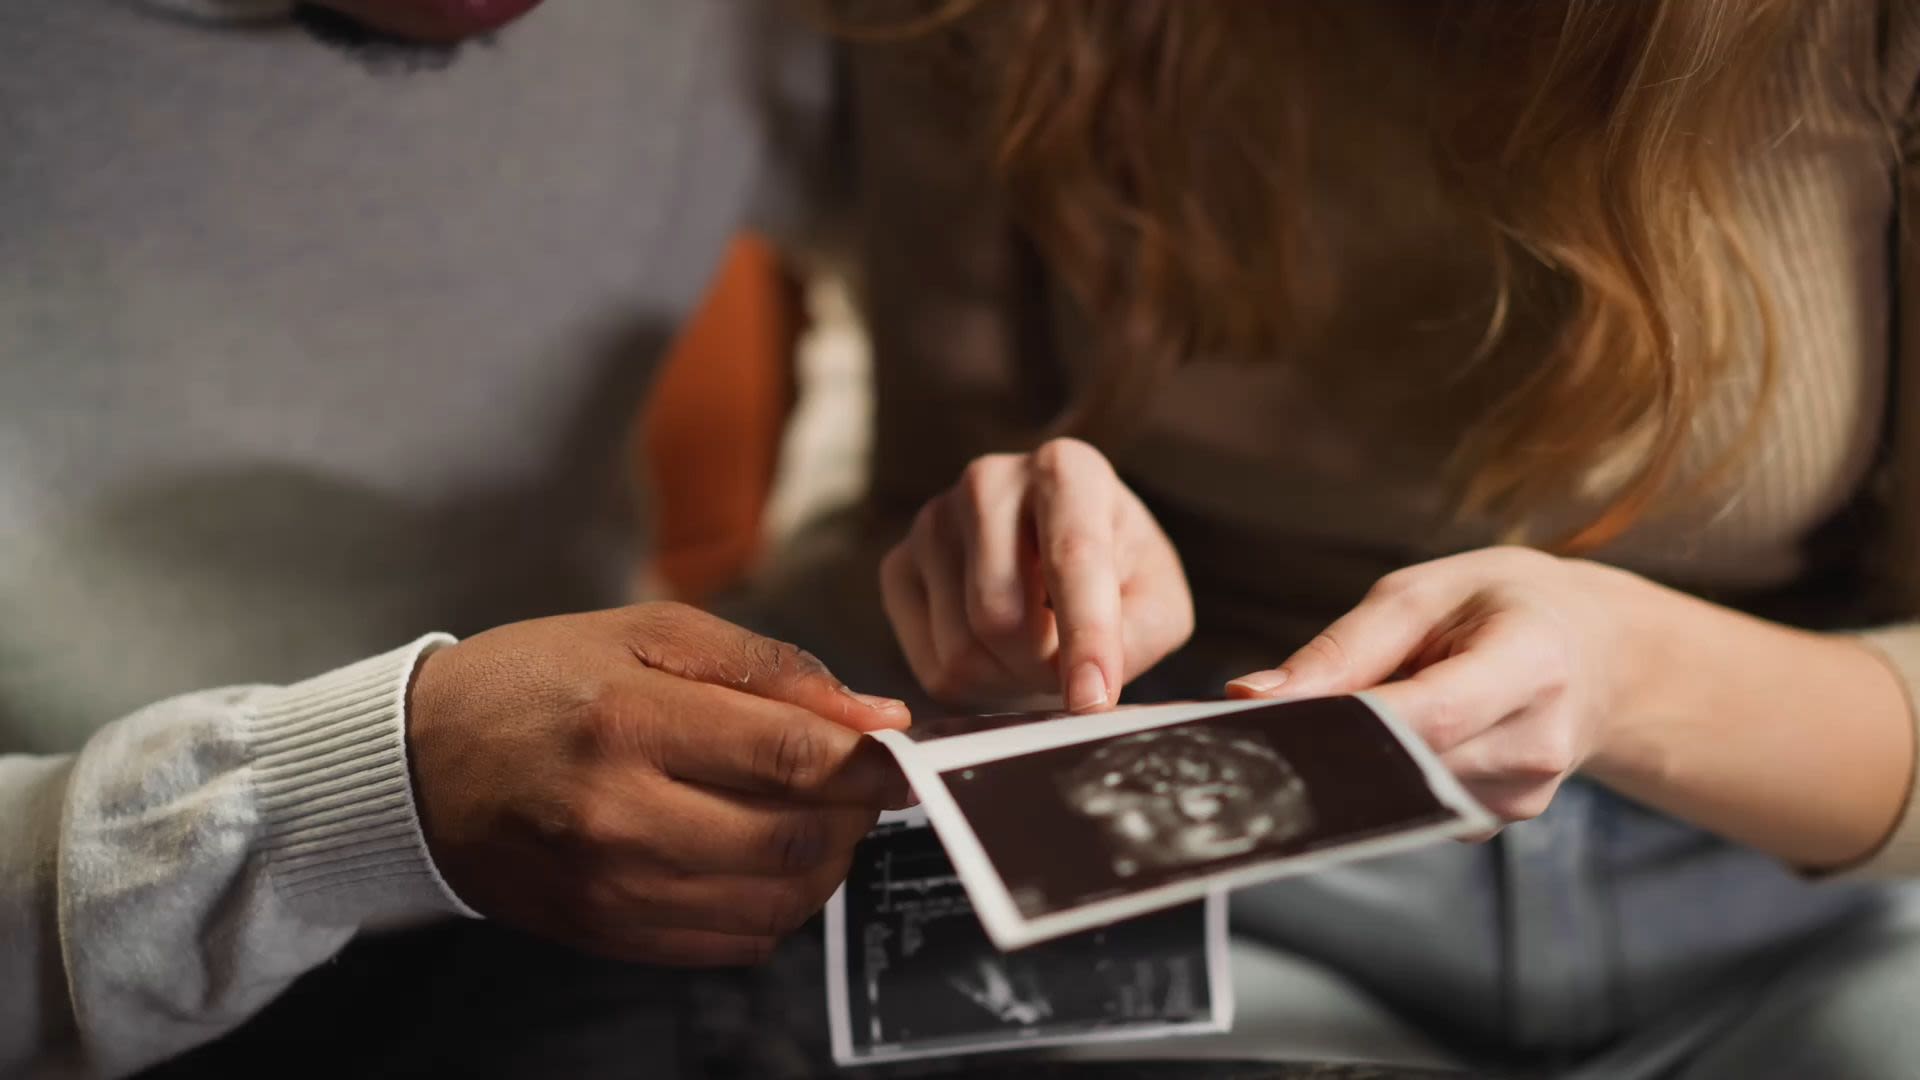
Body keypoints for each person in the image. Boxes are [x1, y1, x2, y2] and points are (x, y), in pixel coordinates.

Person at [721, 0, 1920, 1074]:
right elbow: (921, 490)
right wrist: (996, 577)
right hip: (1225, 871)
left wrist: (1622, 673)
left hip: (1810, 868)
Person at [0, 1, 906, 1076]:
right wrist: (351, 804)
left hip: (599, 914)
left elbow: (910, 292)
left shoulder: (738, 27)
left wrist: (855, 575)